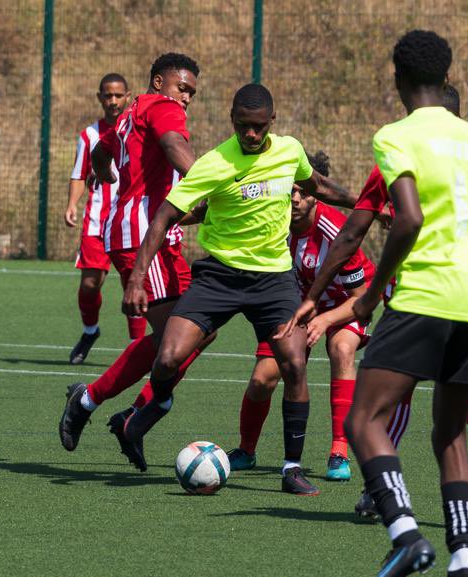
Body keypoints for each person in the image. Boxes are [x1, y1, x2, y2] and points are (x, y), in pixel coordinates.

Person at [287, 31, 468, 576]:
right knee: (450, 433)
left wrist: (371, 294)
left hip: (424, 296)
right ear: (446, 76)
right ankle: (463, 560)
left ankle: (405, 533)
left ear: (398, 79)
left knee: (365, 419)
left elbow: (406, 218)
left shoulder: (396, 136)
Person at [112, 84, 351, 496]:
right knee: (167, 358)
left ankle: (291, 468)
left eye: (258, 127)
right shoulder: (215, 162)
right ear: (232, 120)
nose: (250, 134)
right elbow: (164, 215)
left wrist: (368, 205)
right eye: (242, 126)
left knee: (294, 363)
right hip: (219, 276)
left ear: (272, 121)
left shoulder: (290, 151)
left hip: (273, 279)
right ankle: (158, 404)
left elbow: (319, 186)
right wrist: (137, 278)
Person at [59, 53, 213, 457]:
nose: (187, 98)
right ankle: (95, 402)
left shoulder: (132, 113)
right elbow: (174, 144)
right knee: (173, 339)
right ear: (159, 82)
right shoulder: (163, 108)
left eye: (192, 93)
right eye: (183, 88)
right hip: (143, 236)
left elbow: (101, 151)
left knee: (203, 327)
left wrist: (104, 172)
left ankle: (134, 413)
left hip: (152, 234)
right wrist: (213, 186)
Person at [225, 151, 375, 483]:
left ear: (316, 194)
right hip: (296, 307)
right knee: (262, 379)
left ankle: (339, 451)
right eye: (289, 190)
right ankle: (246, 450)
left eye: (302, 192)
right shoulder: (272, 222)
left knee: (342, 349)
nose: (294, 199)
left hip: (345, 303)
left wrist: (325, 320)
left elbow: (361, 298)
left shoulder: (335, 230)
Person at [64, 73, 145, 364]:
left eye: (118, 95)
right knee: (90, 284)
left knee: (132, 284)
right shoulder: (89, 135)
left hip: (129, 221)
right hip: (97, 222)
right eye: (107, 95)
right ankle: (90, 331)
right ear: (99, 98)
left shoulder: (137, 130)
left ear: (128, 97)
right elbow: (79, 174)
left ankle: (137, 348)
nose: (113, 101)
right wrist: (72, 204)